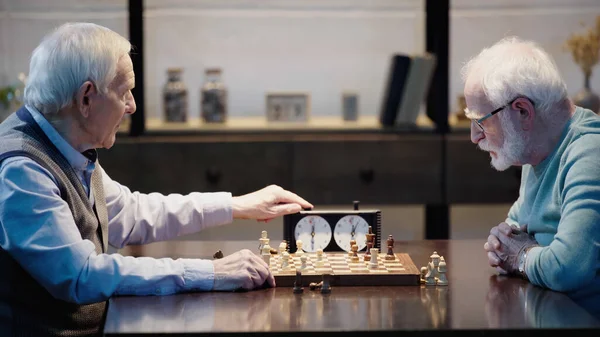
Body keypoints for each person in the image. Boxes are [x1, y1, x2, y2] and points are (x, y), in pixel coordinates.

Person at [0, 22, 313, 336]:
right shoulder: (21, 169)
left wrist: (237, 205)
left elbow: (131, 214)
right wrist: (211, 272)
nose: (132, 106)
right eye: (124, 93)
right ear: (86, 98)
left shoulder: (65, 145)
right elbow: (80, 276)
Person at [460, 36, 600, 317]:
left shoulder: (589, 154)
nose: (474, 137)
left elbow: (566, 269)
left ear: (522, 111)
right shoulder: (534, 148)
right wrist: (518, 251)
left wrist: (521, 257)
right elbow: (509, 236)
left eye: (481, 121)